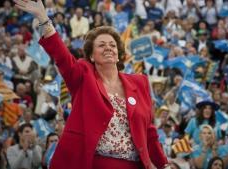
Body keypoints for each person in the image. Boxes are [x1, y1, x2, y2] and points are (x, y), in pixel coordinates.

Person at [13, 0, 169, 169]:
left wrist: (164, 165)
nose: (108, 48)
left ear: (118, 54)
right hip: (94, 163)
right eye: (101, 45)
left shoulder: (140, 82)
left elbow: (150, 133)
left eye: (112, 45)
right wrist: (44, 19)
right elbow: (63, 57)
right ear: (92, 56)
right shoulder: (83, 76)